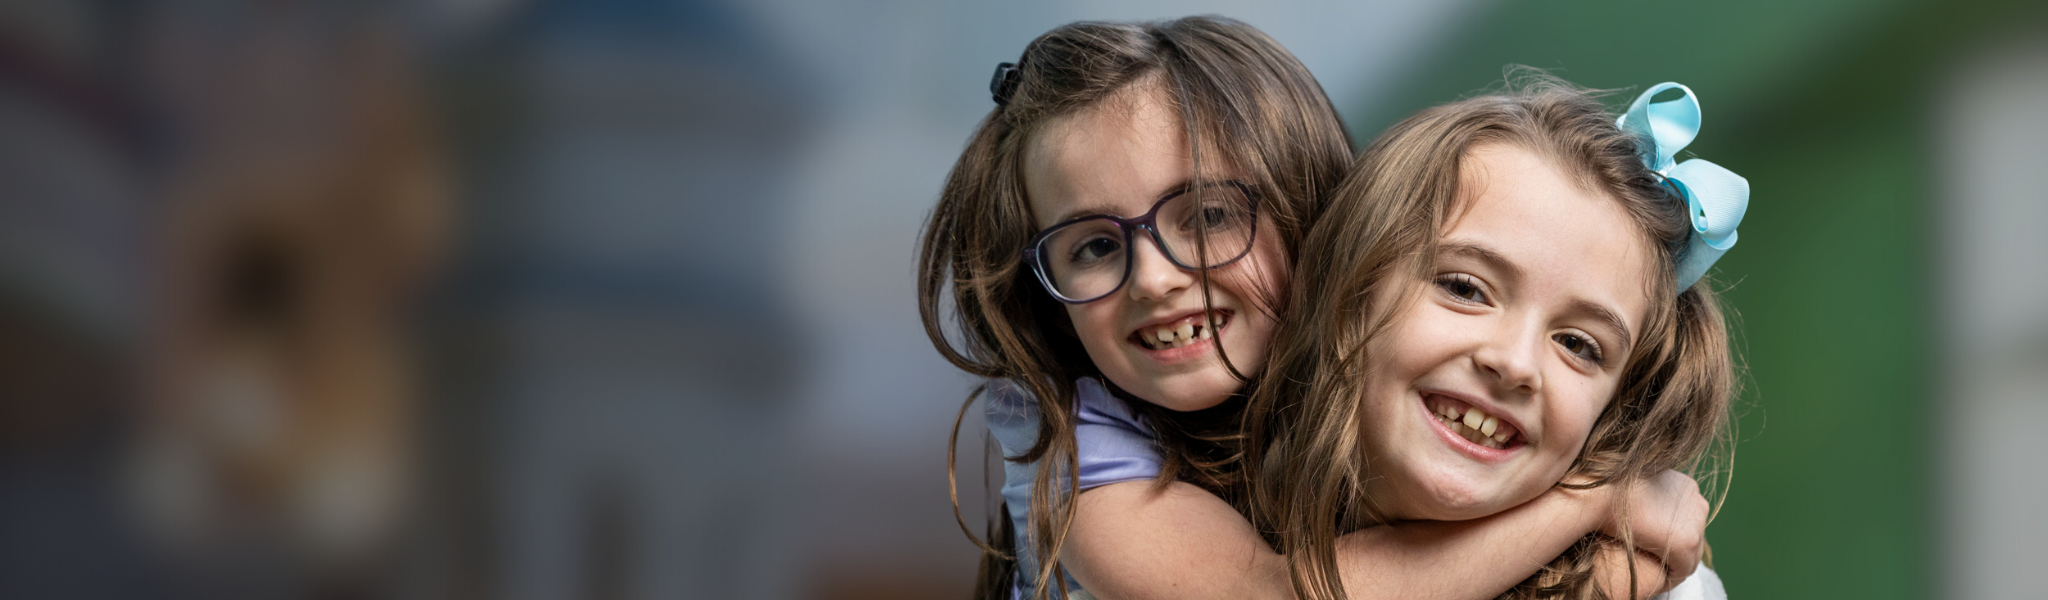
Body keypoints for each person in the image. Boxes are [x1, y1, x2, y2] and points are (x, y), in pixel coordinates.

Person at [917, 15, 1709, 599]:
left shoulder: (1380, 418)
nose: (1153, 279)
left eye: (1211, 214)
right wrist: (1599, 501)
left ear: (1325, 227)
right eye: (1092, 246)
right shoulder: (1077, 456)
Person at [1244, 74, 1746, 600]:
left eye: (1578, 345)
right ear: (1350, 284)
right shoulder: (1177, 508)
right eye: (1465, 288)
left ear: (1618, 407)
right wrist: (1591, 503)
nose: (1515, 363)